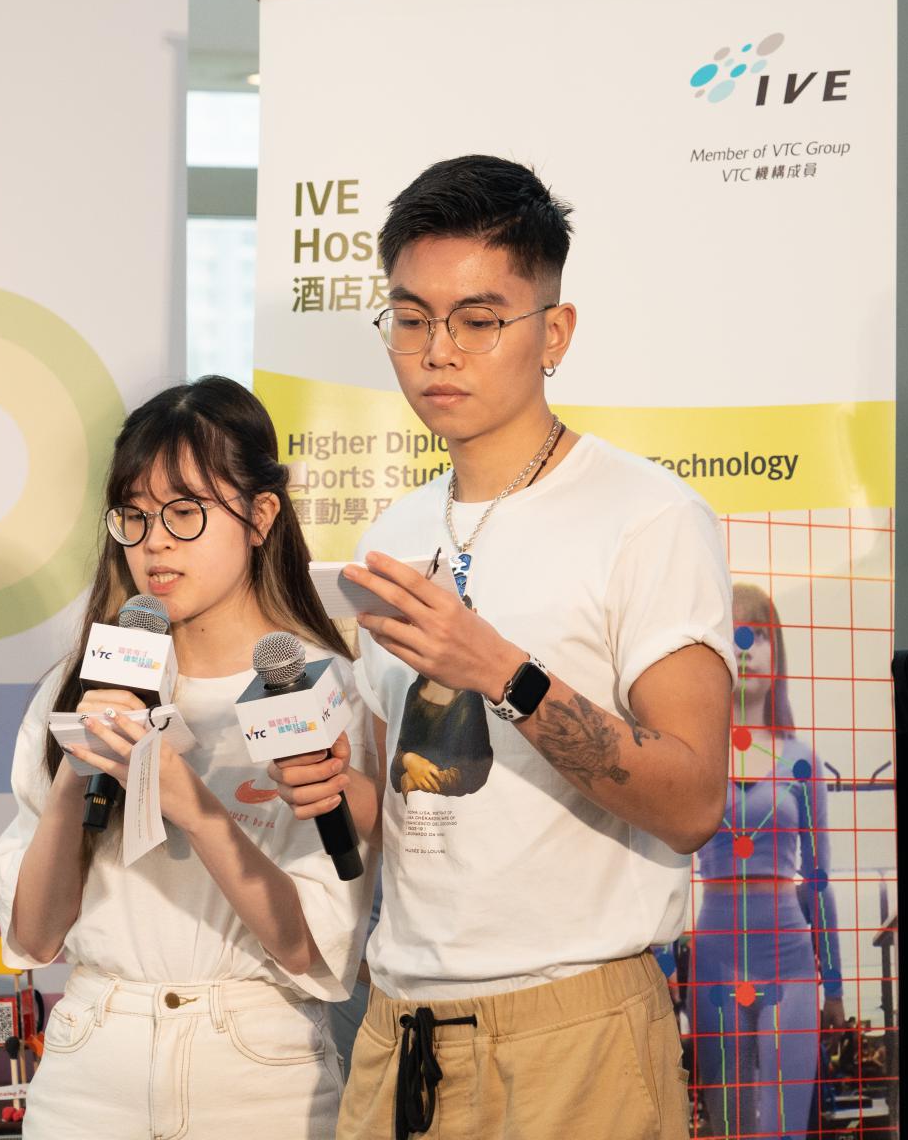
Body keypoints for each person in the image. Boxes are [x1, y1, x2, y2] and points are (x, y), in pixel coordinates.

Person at [271, 156, 734, 1140]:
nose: (437, 351)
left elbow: (693, 802)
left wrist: (499, 671)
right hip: (399, 1028)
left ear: (551, 332)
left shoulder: (646, 516)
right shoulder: (394, 531)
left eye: (477, 320)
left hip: (574, 1033)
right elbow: (400, 804)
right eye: (410, 318)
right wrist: (330, 785)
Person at [0, 376, 381, 1140]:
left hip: (257, 1070)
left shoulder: (323, 695)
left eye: (185, 511)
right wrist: (77, 770)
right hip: (90, 1063)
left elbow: (305, 948)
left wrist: (188, 801)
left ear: (259, 516)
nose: (154, 542)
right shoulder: (78, 687)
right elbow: (34, 938)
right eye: (133, 515)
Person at [690, 583, 844, 1140]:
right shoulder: (692, 755)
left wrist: (835, 986)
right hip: (715, 956)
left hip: (791, 958)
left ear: (777, 652)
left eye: (758, 634)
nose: (746, 647)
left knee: (785, 1127)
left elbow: (818, 879)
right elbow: (661, 865)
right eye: (734, 634)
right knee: (727, 1125)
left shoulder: (803, 761)